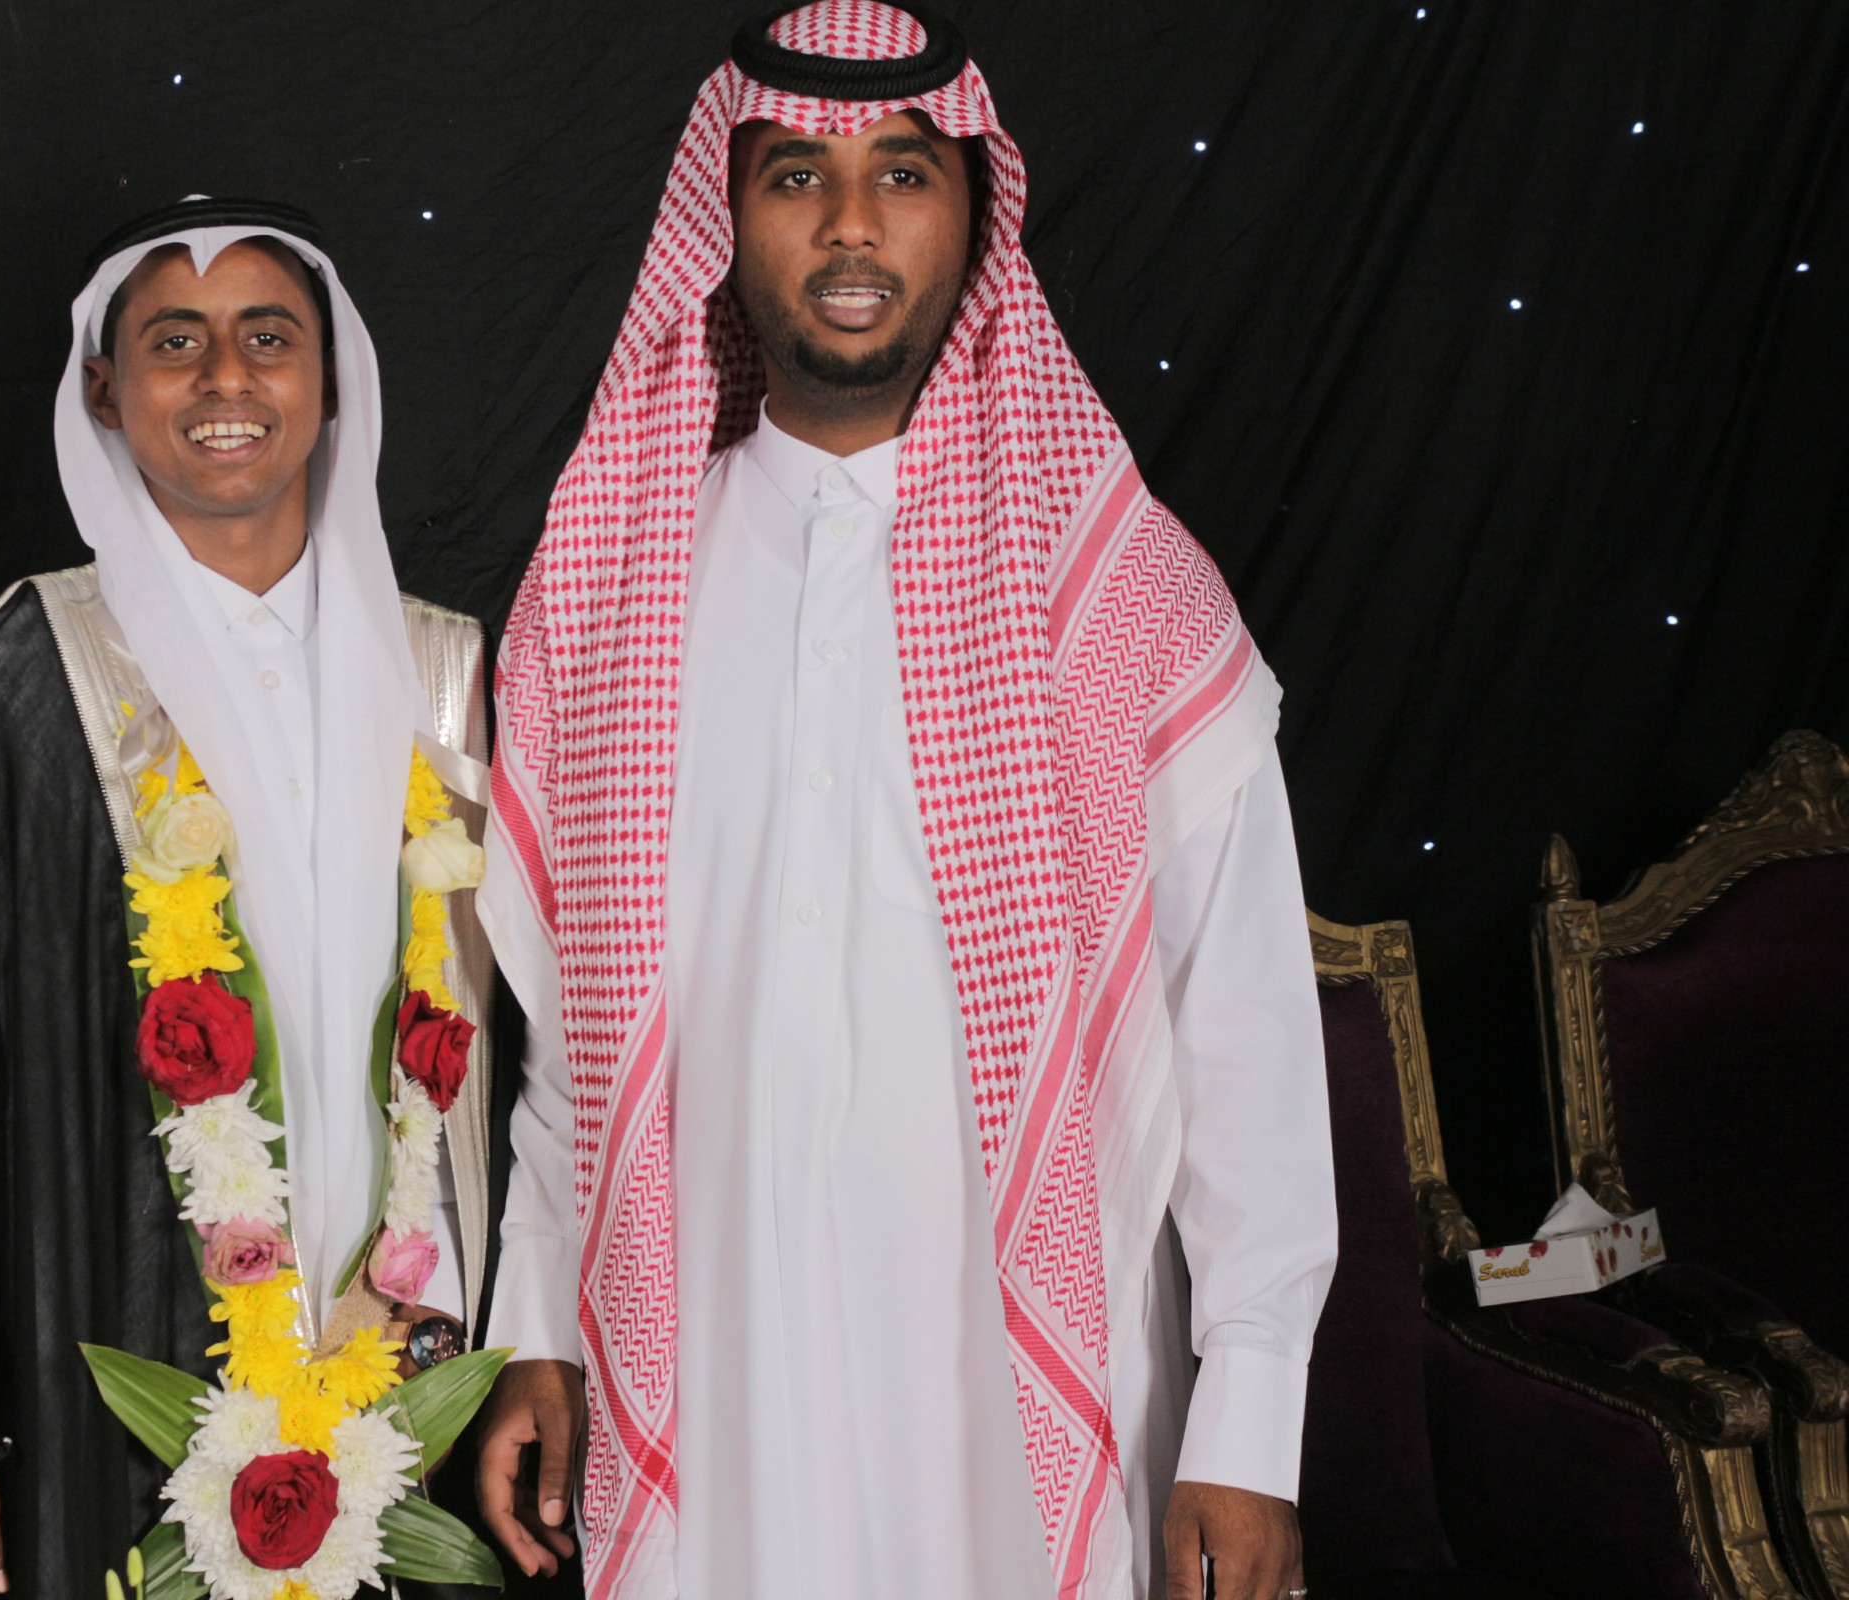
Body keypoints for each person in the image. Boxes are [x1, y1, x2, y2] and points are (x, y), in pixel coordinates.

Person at [470, 7, 1335, 1599]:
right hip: (712, 1377)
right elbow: (573, 1038)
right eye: (798, 174)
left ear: (973, 216)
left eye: (905, 174)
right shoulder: (609, 592)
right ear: (725, 216)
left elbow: (1246, 1039)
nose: (852, 224)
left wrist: (1251, 1424)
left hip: (1012, 1402)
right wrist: (538, 1322)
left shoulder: (1118, 591)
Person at [0, 197, 498, 1600]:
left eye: (269, 337)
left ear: (331, 382)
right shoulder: (22, 678)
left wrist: (522, 1339)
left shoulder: (442, 680)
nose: (224, 378)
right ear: (104, 392)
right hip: (119, 1350)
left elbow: (541, 1047)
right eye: (174, 342)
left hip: (408, 1369)